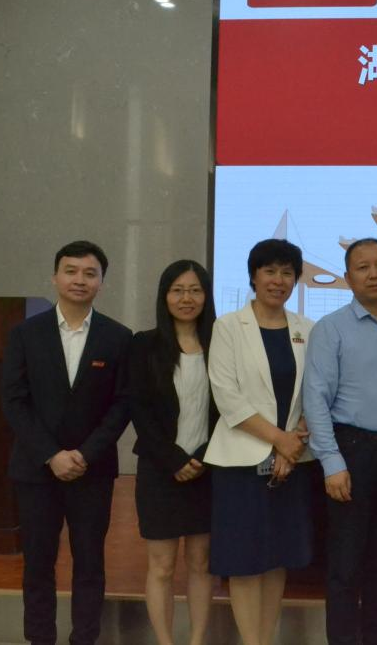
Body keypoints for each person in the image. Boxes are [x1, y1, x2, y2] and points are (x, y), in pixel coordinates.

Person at [0, 240, 132, 645]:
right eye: (71, 271)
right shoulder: (25, 334)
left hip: (92, 471)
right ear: (55, 277)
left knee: (90, 564)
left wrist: (84, 455)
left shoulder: (118, 337)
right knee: (38, 564)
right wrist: (51, 455)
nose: (80, 280)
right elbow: (14, 400)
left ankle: (84, 638)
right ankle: (40, 638)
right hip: (36, 469)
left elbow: (122, 405)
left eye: (90, 273)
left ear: (102, 282)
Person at [303, 238, 377, 645]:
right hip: (350, 451)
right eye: (363, 267)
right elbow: (315, 399)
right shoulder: (330, 328)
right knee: (345, 565)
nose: (374, 274)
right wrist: (331, 462)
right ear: (348, 277)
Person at [203, 238, 314, 645]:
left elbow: (315, 394)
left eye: (287, 272)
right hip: (239, 463)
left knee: (277, 558)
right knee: (245, 561)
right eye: (269, 271)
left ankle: (266, 639)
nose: (278, 280)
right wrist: (279, 441)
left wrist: (292, 444)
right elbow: (227, 396)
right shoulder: (228, 327)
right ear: (253, 276)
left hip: (293, 462)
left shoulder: (307, 329)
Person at [128, 259, 219, 645]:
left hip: (209, 468)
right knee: (162, 566)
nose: (187, 298)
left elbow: (230, 409)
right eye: (178, 290)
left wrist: (202, 457)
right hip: (160, 470)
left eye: (195, 290)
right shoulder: (144, 344)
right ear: (164, 296)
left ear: (206, 296)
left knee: (201, 563)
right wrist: (173, 460)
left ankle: (197, 640)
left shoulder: (222, 344)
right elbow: (138, 408)